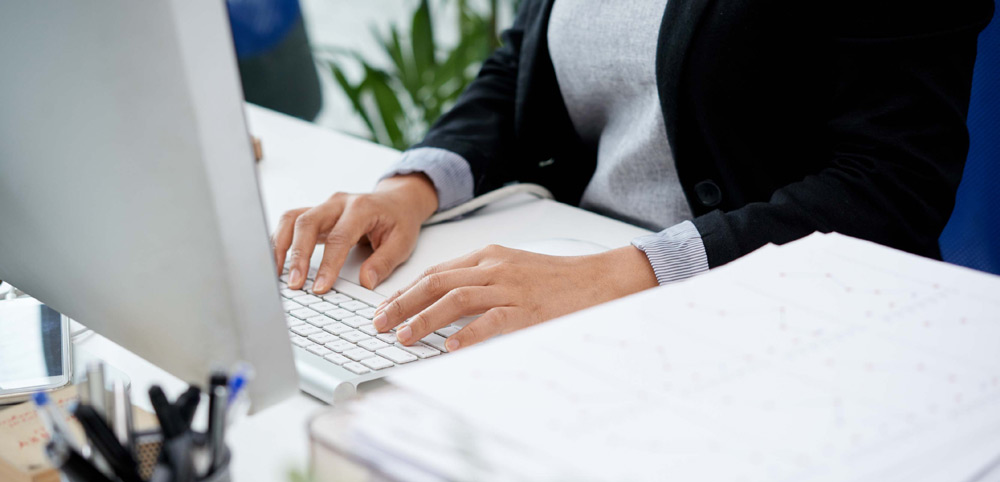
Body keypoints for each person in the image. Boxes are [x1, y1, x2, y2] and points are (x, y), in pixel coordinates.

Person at [273, 0, 995, 352]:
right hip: (580, 283)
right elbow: (519, 67)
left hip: (783, 323)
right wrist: (411, 188)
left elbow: (892, 184)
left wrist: (625, 273)